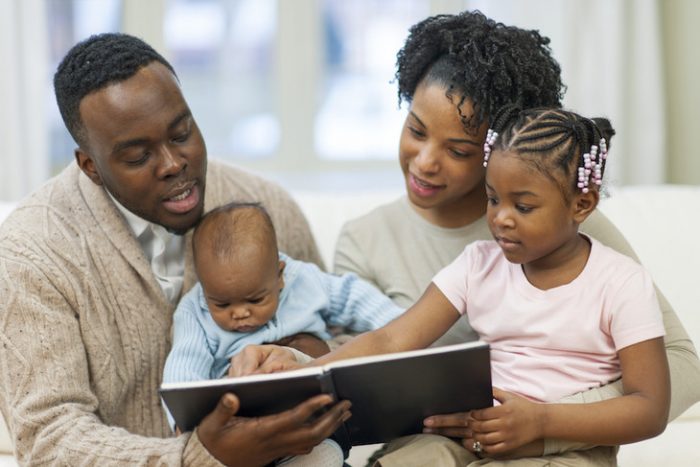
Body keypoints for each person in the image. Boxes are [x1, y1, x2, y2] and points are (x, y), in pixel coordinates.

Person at [330, 10, 700, 466]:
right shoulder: (380, 242)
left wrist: (543, 422)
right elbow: (364, 362)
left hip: (553, 442)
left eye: (459, 150)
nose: (425, 162)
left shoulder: (571, 233)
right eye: (416, 130)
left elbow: (677, 370)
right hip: (445, 438)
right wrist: (300, 364)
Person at [235, 106, 672, 466]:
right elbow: (392, 338)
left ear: (582, 203)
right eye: (493, 198)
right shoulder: (478, 265)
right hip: (470, 434)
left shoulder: (621, 281)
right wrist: (306, 373)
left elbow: (649, 407)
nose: (499, 218)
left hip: (567, 445)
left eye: (523, 205)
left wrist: (540, 423)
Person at [0, 33, 349, 466]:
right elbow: (48, 437)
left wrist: (305, 353)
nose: (172, 164)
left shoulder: (266, 205)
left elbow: (342, 338)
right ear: (90, 166)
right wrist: (197, 458)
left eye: (181, 133)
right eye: (137, 156)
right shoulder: (32, 251)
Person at [162, 201, 404, 465]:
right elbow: (183, 368)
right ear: (203, 283)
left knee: (328, 438)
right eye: (221, 304)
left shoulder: (305, 281)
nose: (240, 313)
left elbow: (352, 296)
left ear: (279, 276)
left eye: (255, 300)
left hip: (316, 412)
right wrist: (184, 425)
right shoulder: (194, 310)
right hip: (249, 425)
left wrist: (397, 324)